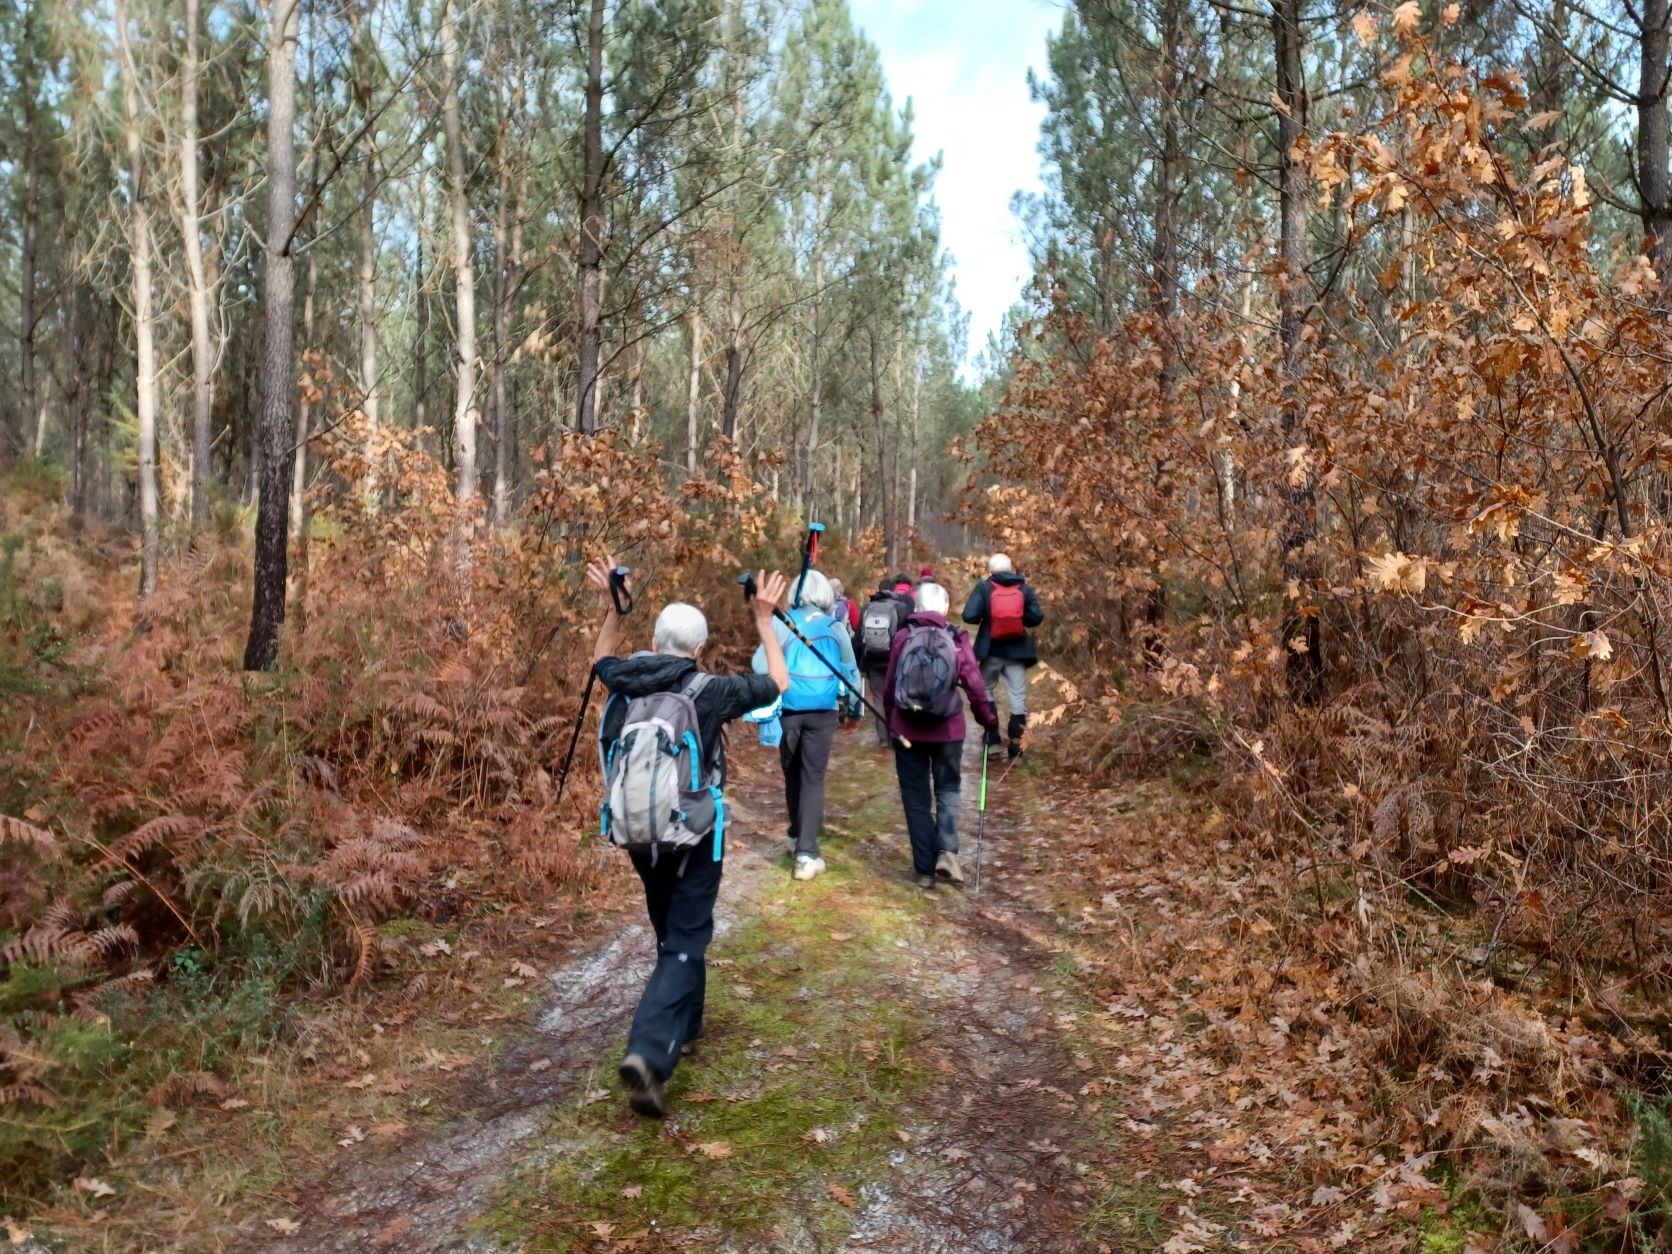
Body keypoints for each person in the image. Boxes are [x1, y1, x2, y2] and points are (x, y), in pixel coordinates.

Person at [587, 556, 790, 1119]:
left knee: (669, 929)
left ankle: (688, 1022)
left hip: (635, 832)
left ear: (654, 639)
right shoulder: (708, 690)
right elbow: (779, 683)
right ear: (698, 650)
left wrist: (614, 606)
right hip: (695, 833)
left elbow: (600, 658)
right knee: (685, 939)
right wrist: (764, 619)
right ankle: (649, 1055)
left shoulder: (625, 680)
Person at [881, 581, 998, 888]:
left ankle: (923, 869)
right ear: (945, 608)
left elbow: (891, 686)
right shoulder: (956, 639)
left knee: (915, 798)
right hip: (947, 731)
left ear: (917, 606)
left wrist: (890, 722)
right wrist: (988, 720)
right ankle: (946, 851)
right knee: (947, 791)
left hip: (907, 730)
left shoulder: (904, 637)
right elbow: (974, 684)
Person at [753, 569, 860, 881]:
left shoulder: (782, 623)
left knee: (792, 773)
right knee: (813, 777)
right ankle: (807, 853)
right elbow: (851, 673)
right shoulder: (835, 626)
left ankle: (797, 834)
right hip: (823, 712)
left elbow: (760, 665)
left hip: (788, 709)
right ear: (825, 594)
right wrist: (853, 711)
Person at [962, 553, 1045, 761]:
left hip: (990, 650)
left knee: (986, 690)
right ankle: (1016, 748)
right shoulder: (1023, 588)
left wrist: (988, 617)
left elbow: (969, 616)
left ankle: (992, 740)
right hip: (1018, 651)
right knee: (1017, 697)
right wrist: (1018, 618)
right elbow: (1036, 617)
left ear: (991, 570)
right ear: (1011, 568)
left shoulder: (984, 587)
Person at [857, 574, 915, 746]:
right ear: (894, 589)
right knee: (897, 698)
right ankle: (896, 734)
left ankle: (883, 739)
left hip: (873, 661)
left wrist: (861, 663)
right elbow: (908, 635)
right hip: (895, 660)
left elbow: (859, 638)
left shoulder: (867, 608)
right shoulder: (901, 607)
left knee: (878, 699)